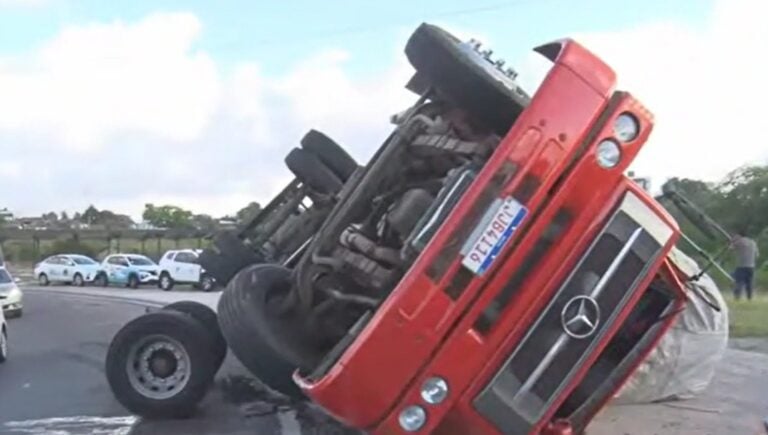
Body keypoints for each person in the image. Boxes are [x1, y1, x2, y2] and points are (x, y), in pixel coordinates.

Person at [730, 230, 759, 300]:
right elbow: (757, 255)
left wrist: (732, 241)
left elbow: (730, 249)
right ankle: (749, 298)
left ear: (739, 235)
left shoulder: (739, 241)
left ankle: (737, 297)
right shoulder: (753, 242)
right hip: (751, 266)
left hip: (741, 266)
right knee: (749, 283)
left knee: (739, 282)